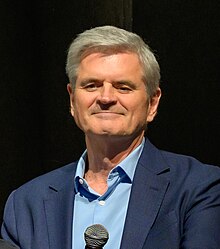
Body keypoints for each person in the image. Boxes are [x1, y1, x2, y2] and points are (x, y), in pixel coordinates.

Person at [1, 26, 220, 249]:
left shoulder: (198, 187)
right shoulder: (26, 203)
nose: (105, 98)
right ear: (72, 100)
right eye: (92, 85)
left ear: (152, 103)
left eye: (123, 87)